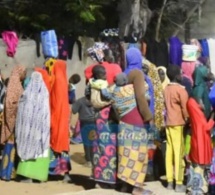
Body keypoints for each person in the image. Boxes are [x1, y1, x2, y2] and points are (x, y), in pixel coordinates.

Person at [15, 71, 50, 183]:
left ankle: (26, 175)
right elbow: (46, 114)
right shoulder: (44, 94)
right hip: (40, 130)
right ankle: (37, 176)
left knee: (27, 148)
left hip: (27, 131)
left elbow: (21, 114)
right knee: (39, 149)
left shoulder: (26, 95)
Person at [45, 59, 72, 182]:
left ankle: (52, 171)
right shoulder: (65, 84)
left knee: (53, 143)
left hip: (55, 118)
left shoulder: (53, 80)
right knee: (64, 145)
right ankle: (66, 173)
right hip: (64, 119)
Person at [164, 65, 189, 193]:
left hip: (168, 122)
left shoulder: (166, 89)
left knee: (169, 152)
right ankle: (178, 182)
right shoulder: (181, 91)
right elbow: (186, 109)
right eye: (181, 73)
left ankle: (169, 181)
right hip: (178, 123)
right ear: (177, 76)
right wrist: (188, 119)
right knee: (179, 152)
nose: (182, 75)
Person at [0, 65, 26, 181]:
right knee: (10, 148)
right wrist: (19, 108)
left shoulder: (15, 85)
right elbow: (10, 104)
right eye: (23, 72)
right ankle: (7, 173)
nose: (24, 75)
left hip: (14, 122)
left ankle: (6, 172)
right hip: (13, 123)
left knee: (10, 148)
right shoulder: (15, 86)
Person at [186, 98, 214, 194]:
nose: (203, 103)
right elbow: (206, 127)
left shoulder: (194, 113)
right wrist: (213, 117)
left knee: (195, 166)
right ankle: (198, 189)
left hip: (196, 143)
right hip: (201, 144)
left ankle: (192, 187)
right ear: (198, 104)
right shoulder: (199, 115)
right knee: (200, 167)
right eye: (201, 101)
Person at [72, 94, 95, 167]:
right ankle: (93, 159)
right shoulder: (96, 100)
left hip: (84, 123)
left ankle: (88, 161)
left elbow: (74, 111)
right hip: (94, 122)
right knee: (92, 141)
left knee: (86, 142)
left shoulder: (80, 101)